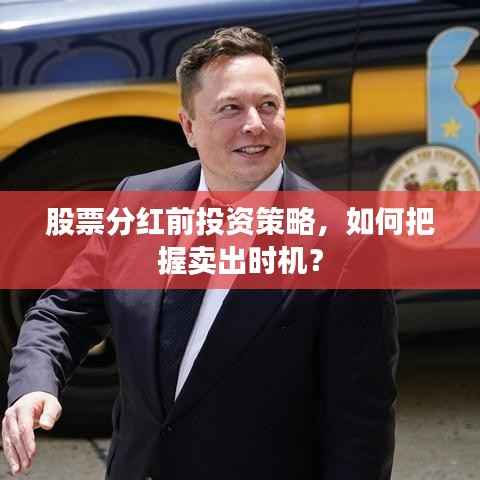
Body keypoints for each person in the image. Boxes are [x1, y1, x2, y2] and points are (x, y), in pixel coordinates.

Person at [2, 26, 398, 480]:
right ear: (189, 127)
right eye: (231, 108)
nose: (255, 124)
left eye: (269, 105)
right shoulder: (139, 200)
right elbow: (61, 312)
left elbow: (361, 428)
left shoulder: (346, 245)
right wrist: (33, 385)